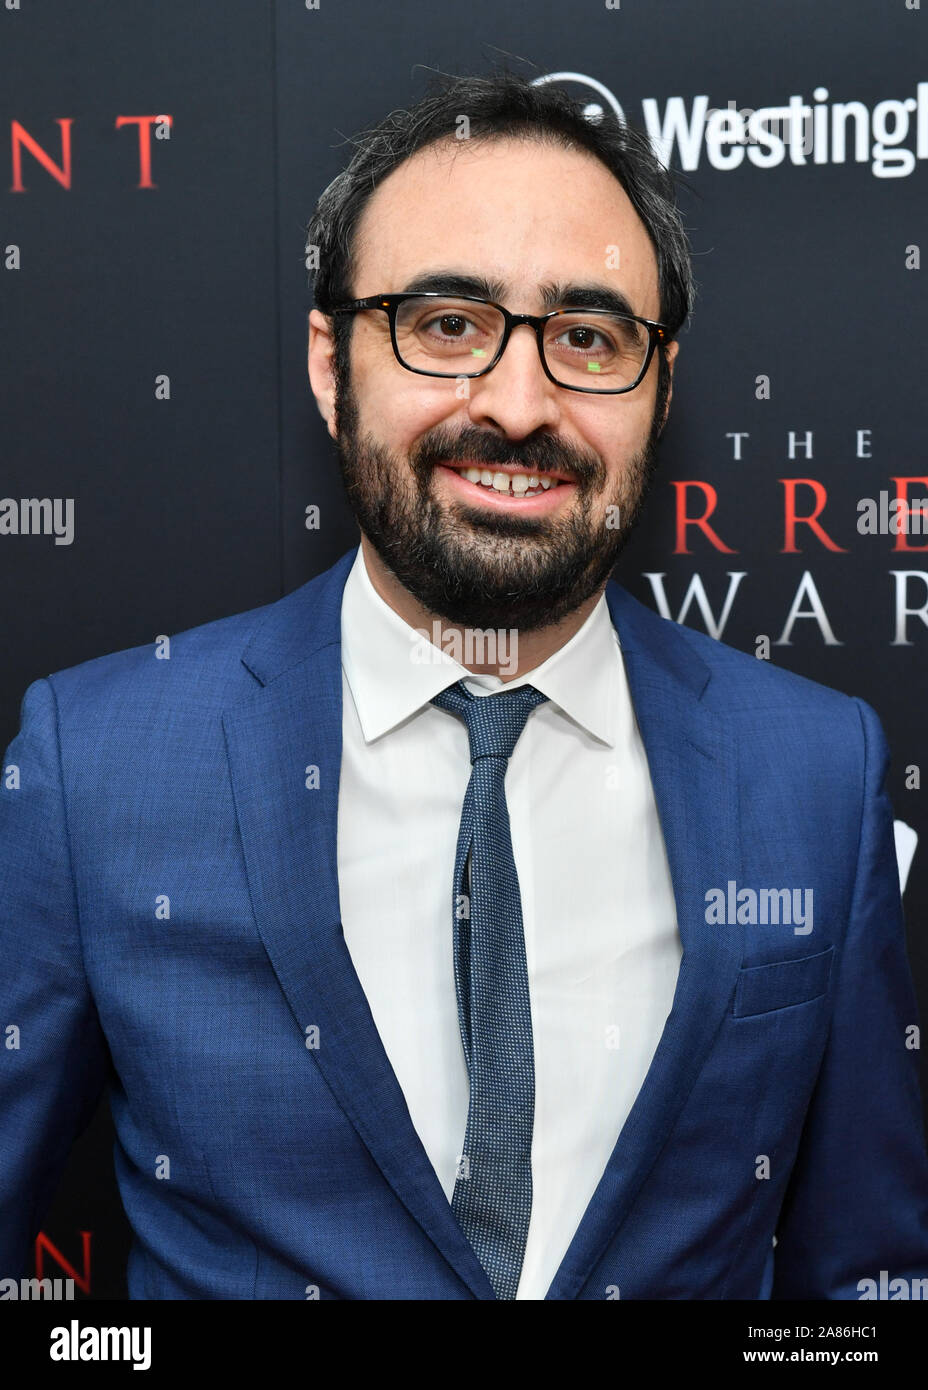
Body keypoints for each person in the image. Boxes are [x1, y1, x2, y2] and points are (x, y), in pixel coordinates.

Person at [1, 69, 927, 1301]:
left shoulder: (816, 769)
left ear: (658, 388)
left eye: (589, 337)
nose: (518, 403)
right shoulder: (96, 766)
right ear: (334, 365)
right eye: (447, 324)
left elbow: (862, 1277)